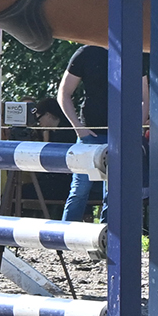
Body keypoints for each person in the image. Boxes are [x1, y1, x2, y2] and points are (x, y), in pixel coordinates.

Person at [57, 43, 109, 221]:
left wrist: (133, 130)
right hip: (90, 134)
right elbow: (63, 93)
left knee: (114, 192)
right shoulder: (86, 53)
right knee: (80, 189)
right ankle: (65, 233)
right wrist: (79, 128)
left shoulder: (131, 50)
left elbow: (143, 96)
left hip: (119, 134)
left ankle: (109, 235)